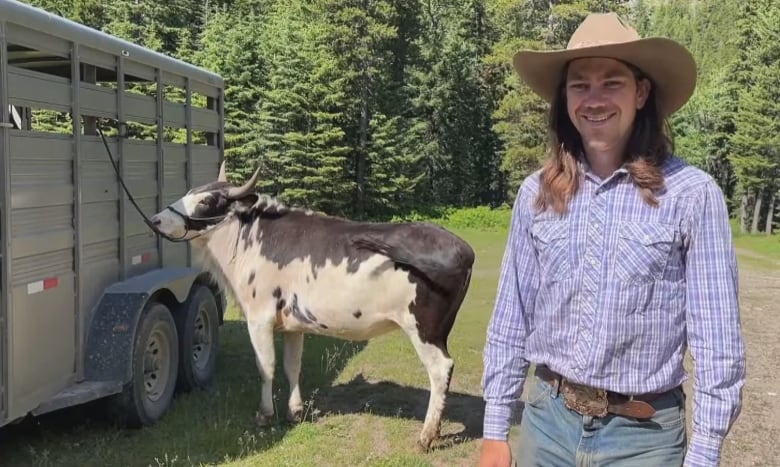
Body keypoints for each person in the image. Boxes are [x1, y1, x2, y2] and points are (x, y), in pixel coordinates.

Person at [479, 12, 746, 467]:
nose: (594, 98)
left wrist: (705, 451)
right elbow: (511, 313)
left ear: (641, 93)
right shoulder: (536, 194)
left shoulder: (691, 194)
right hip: (547, 424)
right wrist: (494, 430)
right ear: (565, 98)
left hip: (643, 439)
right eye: (579, 84)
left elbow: (716, 334)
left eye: (612, 82)